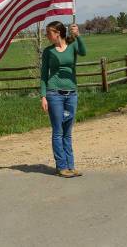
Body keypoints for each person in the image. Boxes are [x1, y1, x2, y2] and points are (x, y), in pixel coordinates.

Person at [40, 21, 87, 178]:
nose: (47, 36)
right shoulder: (48, 51)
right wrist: (43, 96)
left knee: (68, 131)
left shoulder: (72, 45)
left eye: (49, 33)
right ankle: (61, 167)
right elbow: (43, 75)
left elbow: (83, 52)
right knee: (58, 131)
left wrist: (78, 35)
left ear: (57, 33)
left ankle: (71, 166)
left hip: (71, 93)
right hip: (54, 94)